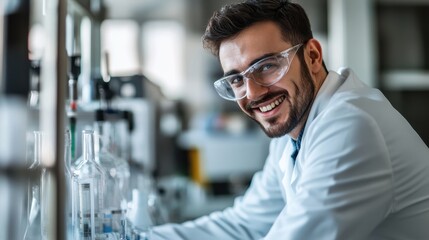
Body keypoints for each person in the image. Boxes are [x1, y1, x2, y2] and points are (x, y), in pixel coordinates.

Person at [152, 0, 429, 239]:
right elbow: (245, 225)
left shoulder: (351, 125)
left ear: (312, 56)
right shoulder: (292, 134)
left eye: (267, 66)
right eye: (237, 79)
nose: (253, 93)